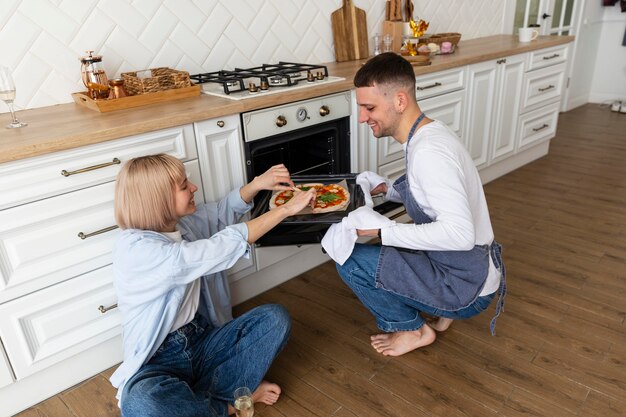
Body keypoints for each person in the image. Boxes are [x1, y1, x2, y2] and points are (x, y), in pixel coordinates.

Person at [110, 153, 316, 416]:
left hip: (201, 337)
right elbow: (215, 249)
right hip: (159, 360)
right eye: (185, 186)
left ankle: (195, 399)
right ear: (159, 200)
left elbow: (220, 213)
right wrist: (285, 209)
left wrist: (257, 184)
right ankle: (228, 404)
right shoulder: (137, 250)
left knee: (275, 318)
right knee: (142, 402)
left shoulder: (179, 223)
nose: (193, 188)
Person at [336, 52, 506, 357]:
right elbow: (431, 197)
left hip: (466, 284)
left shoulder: (430, 153)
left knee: (348, 260)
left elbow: (459, 234)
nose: (362, 118)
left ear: (400, 101)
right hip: (469, 268)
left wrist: (384, 231)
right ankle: (442, 311)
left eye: (369, 107)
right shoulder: (427, 135)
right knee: (392, 249)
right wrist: (389, 190)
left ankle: (413, 329)